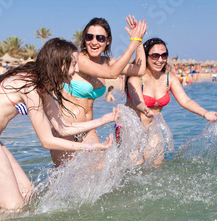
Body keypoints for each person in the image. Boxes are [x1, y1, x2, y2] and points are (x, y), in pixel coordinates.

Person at [0, 38, 117, 212]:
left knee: (29, 194)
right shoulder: (31, 87)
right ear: (60, 64)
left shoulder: (43, 85)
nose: (78, 70)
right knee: (13, 207)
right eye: (74, 64)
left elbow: (63, 127)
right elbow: (47, 141)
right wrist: (91, 147)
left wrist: (104, 120)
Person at [50, 16, 147, 166]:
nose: (94, 42)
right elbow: (112, 74)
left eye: (100, 38)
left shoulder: (108, 62)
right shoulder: (77, 59)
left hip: (88, 129)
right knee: (68, 182)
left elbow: (140, 70)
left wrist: (138, 41)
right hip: (64, 128)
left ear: (107, 41)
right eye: (90, 37)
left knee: (100, 177)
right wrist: (132, 44)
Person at [123, 37, 217, 164]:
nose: (160, 60)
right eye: (155, 56)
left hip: (152, 128)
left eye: (164, 55)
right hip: (131, 129)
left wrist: (205, 113)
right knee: (136, 165)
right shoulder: (136, 78)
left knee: (156, 166)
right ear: (146, 56)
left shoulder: (169, 78)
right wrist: (145, 109)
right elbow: (138, 101)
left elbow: (185, 101)